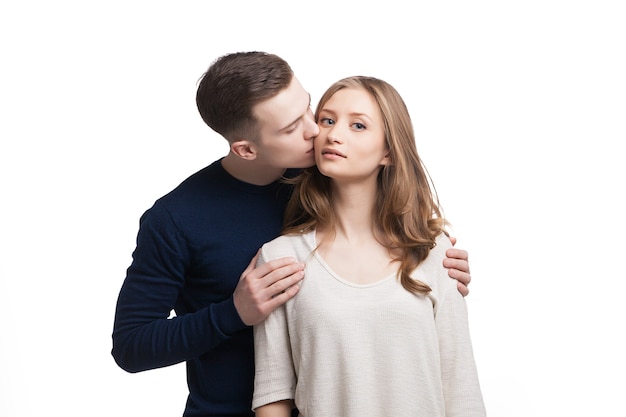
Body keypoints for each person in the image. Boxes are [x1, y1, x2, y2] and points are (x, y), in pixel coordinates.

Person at [112, 52, 473, 417]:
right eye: (290, 127)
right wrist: (233, 312)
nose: (317, 130)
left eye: (309, 108)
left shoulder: (326, 171)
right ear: (246, 149)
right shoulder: (177, 219)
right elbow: (131, 345)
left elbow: (392, 214)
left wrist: (433, 260)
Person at [252, 76, 486, 417]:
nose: (333, 134)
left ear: (388, 151)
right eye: (327, 120)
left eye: (358, 125)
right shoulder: (280, 258)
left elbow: (461, 388)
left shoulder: (434, 253)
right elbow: (273, 397)